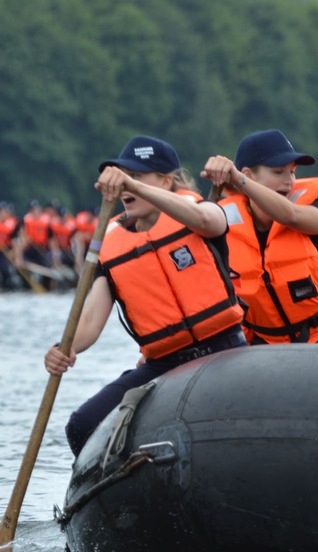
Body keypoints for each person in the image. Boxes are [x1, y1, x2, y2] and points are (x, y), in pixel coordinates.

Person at [43, 135, 245, 456]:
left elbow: (210, 221)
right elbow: (92, 321)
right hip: (164, 363)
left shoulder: (201, 212)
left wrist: (131, 185)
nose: (126, 187)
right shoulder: (111, 244)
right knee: (81, 424)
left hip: (223, 349)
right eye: (125, 178)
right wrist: (63, 348)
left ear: (166, 181)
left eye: (136, 178)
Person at [202, 128, 318, 344]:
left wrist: (238, 179)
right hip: (267, 346)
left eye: (293, 172)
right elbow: (202, 222)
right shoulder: (223, 222)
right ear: (249, 175)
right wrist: (217, 183)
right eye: (279, 172)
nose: (289, 181)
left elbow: (290, 215)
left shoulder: (317, 210)